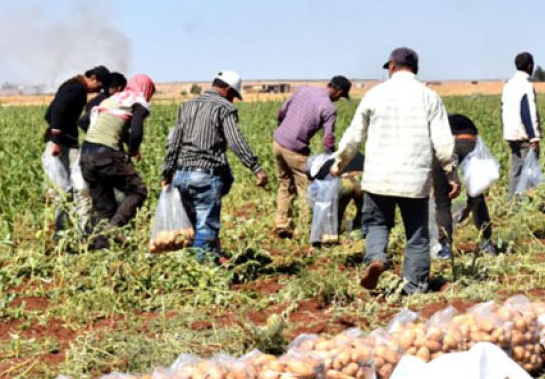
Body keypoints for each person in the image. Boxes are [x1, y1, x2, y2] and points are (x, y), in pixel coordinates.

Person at [332, 47, 458, 295]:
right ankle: (414, 287)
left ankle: (377, 258)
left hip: (379, 177)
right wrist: (451, 173)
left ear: (391, 66)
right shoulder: (429, 97)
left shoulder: (375, 95)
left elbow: (354, 135)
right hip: (415, 179)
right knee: (417, 235)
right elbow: (444, 143)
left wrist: (339, 163)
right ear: (416, 69)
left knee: (377, 224)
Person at [161, 71, 268, 263]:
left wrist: (167, 172)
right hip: (205, 176)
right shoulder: (224, 107)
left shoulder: (186, 105)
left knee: (192, 225)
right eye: (233, 95)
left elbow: (174, 142)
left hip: (182, 176)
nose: (233, 100)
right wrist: (256, 167)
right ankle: (203, 272)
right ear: (227, 90)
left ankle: (200, 261)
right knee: (205, 227)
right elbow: (236, 141)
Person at [80, 74, 156, 249]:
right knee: (138, 190)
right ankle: (113, 229)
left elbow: (83, 121)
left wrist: (101, 136)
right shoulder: (137, 101)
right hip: (106, 155)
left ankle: (100, 251)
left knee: (104, 208)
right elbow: (136, 131)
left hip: (86, 155)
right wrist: (133, 150)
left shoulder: (111, 99)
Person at [273, 76, 351, 238]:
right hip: (295, 149)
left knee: (285, 183)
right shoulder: (329, 108)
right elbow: (328, 138)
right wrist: (329, 159)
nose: (338, 100)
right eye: (341, 97)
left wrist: (283, 128)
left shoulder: (304, 89)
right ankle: (304, 229)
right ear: (339, 92)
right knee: (307, 189)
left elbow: (282, 110)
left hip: (278, 143)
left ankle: (282, 224)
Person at [43, 65, 109, 237]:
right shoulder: (77, 88)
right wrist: (56, 138)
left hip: (65, 141)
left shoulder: (73, 86)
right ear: (93, 78)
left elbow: (49, 114)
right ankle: (67, 232)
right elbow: (57, 110)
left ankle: (65, 231)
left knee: (66, 188)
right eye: (99, 86)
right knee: (74, 187)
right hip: (62, 143)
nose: (98, 91)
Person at [432, 113, 498, 260]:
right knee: (477, 197)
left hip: (449, 147)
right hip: (471, 144)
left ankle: (444, 249)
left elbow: (441, 155)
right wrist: (468, 207)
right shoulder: (464, 123)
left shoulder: (437, 125)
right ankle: (487, 244)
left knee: (442, 203)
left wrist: (450, 178)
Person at [501, 52, 542, 198]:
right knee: (529, 172)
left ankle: (512, 203)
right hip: (524, 135)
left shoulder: (508, 85)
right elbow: (527, 112)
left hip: (511, 134)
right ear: (530, 65)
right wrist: (534, 137)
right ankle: (526, 206)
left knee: (516, 170)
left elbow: (504, 110)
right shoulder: (526, 85)